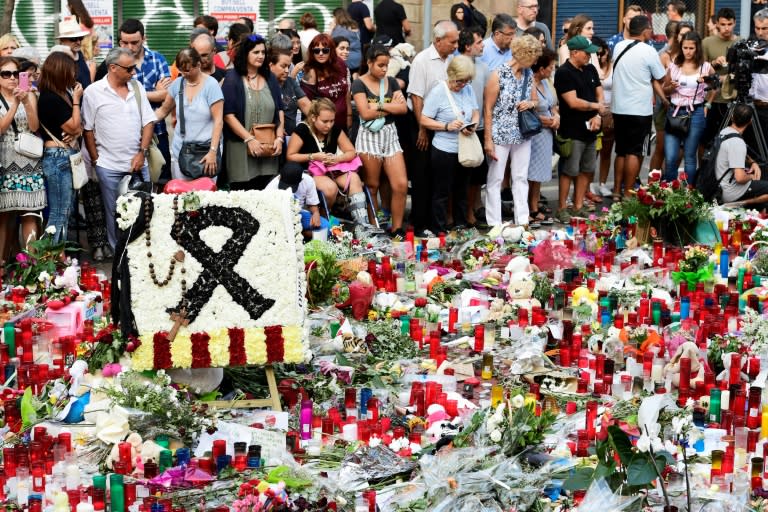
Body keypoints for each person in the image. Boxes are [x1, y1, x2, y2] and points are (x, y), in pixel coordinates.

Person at [82, 47, 155, 251]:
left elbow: (148, 122)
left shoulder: (137, 87)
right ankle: (119, 257)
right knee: (114, 214)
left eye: (134, 68)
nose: (133, 72)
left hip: (139, 165)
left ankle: (142, 253)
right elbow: (88, 130)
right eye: (129, 69)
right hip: (108, 166)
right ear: (112, 68)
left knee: (144, 212)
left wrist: (142, 152)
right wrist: (97, 161)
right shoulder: (93, 92)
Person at [484, 35, 542, 227]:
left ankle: (522, 219)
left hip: (522, 134)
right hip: (500, 133)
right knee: (496, 178)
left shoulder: (529, 74)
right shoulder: (498, 74)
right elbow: (488, 108)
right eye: (533, 56)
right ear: (526, 55)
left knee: (520, 177)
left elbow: (536, 101)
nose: (535, 61)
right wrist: (488, 139)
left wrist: (530, 103)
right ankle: (494, 222)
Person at [407, 20, 459, 236]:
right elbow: (417, 96)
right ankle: (419, 223)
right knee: (422, 175)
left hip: (444, 126)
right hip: (422, 122)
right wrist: (422, 128)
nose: (456, 45)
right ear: (438, 41)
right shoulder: (422, 60)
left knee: (440, 177)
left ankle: (435, 221)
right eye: (452, 41)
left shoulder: (452, 60)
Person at [352, 45, 408, 236]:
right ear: (369, 63)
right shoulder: (359, 83)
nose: (384, 69)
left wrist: (379, 104)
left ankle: (397, 228)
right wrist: (391, 104)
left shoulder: (391, 82)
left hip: (390, 134)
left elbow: (403, 109)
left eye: (387, 65)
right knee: (372, 185)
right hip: (369, 137)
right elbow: (365, 113)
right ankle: (374, 228)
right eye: (380, 65)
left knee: (400, 184)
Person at [286, 98, 370, 225]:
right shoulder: (302, 130)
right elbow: (290, 156)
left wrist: (337, 159)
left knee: (354, 178)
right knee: (330, 188)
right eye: (325, 121)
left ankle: (362, 224)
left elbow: (351, 152)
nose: (329, 125)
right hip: (309, 172)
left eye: (332, 121)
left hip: (330, 169)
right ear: (313, 118)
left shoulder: (334, 129)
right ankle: (324, 219)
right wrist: (313, 156)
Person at [421, 55, 479, 232]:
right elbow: (424, 119)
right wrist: (446, 126)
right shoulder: (439, 91)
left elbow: (475, 111)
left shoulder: (468, 89)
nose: (463, 85)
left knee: (462, 190)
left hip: (464, 147)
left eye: (466, 81)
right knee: (442, 192)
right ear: (452, 75)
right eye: (460, 81)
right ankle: (438, 228)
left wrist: (473, 124)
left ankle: (460, 226)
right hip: (444, 149)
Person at [611, 15, 666, 199]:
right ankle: (628, 191)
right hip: (639, 110)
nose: (651, 32)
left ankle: (617, 191)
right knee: (635, 151)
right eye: (650, 28)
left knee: (621, 151)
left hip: (619, 108)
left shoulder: (618, 46)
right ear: (644, 31)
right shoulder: (649, 51)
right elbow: (661, 77)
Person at [221, 34, 285, 190]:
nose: (261, 56)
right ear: (245, 54)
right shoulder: (232, 78)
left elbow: (280, 111)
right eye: (256, 52)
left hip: (268, 148)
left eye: (263, 52)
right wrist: (249, 139)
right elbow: (228, 115)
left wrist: (279, 138)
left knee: (266, 193)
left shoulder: (270, 77)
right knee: (242, 196)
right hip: (240, 147)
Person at [553, 35, 604, 223]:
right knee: (569, 170)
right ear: (574, 53)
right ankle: (561, 208)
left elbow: (600, 93)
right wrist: (595, 108)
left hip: (592, 129)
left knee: (586, 170)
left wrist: (597, 115)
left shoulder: (590, 69)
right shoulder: (564, 73)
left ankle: (578, 205)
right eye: (586, 53)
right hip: (572, 130)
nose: (589, 57)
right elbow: (572, 102)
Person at [154, 48, 223, 181]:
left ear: (198, 65)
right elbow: (163, 111)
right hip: (181, 149)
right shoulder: (177, 84)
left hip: (207, 150)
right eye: (181, 70)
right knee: (181, 196)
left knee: (205, 197)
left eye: (188, 70)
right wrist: (144, 121)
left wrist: (213, 151)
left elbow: (218, 121)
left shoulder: (211, 85)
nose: (184, 74)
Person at [37, 52, 83, 247]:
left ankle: (58, 259)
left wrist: (75, 130)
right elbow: (73, 126)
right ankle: (49, 260)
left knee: (65, 212)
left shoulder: (63, 93)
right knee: (59, 212)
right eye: (71, 69)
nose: (74, 73)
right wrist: (76, 101)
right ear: (60, 71)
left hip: (65, 155)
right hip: (57, 157)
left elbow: (78, 127)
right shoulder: (49, 98)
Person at [118, 19, 172, 184]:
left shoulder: (157, 59)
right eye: (125, 42)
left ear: (143, 38)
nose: (129, 47)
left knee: (161, 181)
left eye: (134, 42)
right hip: (128, 135)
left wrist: (136, 93)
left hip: (157, 131)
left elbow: (167, 94)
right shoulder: (115, 62)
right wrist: (154, 92)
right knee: (130, 184)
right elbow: (116, 95)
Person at [0, 56, 44, 257]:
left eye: (16, 74)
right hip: (5, 162)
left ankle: (31, 267)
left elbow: (34, 127)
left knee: (30, 214)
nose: (12, 78)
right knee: (3, 217)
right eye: (5, 74)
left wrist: (26, 101)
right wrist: (15, 104)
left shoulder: (30, 95)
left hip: (29, 162)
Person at [663, 32, 714, 183]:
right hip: (675, 111)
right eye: (685, 47)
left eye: (692, 48)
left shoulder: (705, 66)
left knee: (690, 156)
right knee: (671, 157)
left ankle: (690, 194)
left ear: (697, 48)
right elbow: (664, 90)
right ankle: (670, 193)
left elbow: (715, 85)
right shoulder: (674, 65)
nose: (688, 51)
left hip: (696, 111)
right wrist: (671, 88)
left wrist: (708, 103)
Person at [460, 26, 490, 227]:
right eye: (479, 42)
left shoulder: (484, 67)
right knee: (460, 176)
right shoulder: (456, 64)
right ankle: (455, 214)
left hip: (478, 128)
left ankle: (471, 211)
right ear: (467, 46)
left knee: (477, 176)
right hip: (458, 128)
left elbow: (487, 100)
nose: (482, 46)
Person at [716, 104, 768, 210]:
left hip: (718, 185)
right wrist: (751, 177)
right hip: (730, 191)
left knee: (760, 182)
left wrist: (752, 162)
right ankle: (741, 203)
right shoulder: (738, 143)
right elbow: (740, 178)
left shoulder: (724, 132)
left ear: (732, 117)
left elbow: (732, 152)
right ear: (750, 121)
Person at [702, 8, 740, 146]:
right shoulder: (707, 42)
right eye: (723, 24)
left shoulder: (740, 42)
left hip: (733, 99)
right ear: (717, 23)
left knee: (731, 142)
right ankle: (705, 168)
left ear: (735, 23)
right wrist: (714, 63)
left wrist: (730, 76)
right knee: (705, 141)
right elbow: (701, 71)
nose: (726, 28)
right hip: (711, 99)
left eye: (729, 24)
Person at [528, 48, 558, 224]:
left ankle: (534, 206)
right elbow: (530, 112)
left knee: (539, 174)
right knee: (529, 173)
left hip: (546, 133)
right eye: (551, 66)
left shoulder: (546, 83)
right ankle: (528, 208)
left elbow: (552, 105)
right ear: (541, 69)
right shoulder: (530, 83)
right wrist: (549, 121)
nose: (552, 69)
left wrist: (555, 118)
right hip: (534, 134)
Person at [300, 34, 352, 131]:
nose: (321, 53)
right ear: (312, 52)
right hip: (322, 127)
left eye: (325, 50)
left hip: (342, 122)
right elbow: (306, 105)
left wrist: (349, 115)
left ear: (331, 51)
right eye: (316, 51)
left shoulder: (340, 64)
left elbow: (346, 93)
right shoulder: (311, 72)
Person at [266, 163, 327, 238]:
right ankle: (297, 234)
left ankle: (299, 234)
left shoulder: (308, 181)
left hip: (298, 214)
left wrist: (316, 213)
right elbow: (267, 213)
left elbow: (312, 203)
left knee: (325, 227)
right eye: (285, 185)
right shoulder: (270, 188)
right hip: (278, 217)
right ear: (279, 177)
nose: (288, 189)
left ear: (301, 180)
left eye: (292, 186)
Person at [269, 50, 310, 139]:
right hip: (270, 137)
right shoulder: (263, 85)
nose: (287, 71)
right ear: (271, 66)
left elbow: (307, 107)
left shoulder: (290, 82)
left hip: (290, 138)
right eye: (283, 66)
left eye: (288, 66)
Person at [592, 37, 614, 198]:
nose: (601, 57)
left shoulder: (613, 66)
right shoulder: (592, 67)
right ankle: (590, 184)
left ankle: (603, 183)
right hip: (595, 112)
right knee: (593, 151)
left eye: (603, 54)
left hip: (611, 112)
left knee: (607, 150)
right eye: (597, 54)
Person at [56, 16, 92, 89]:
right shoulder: (58, 60)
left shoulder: (79, 54)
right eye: (73, 39)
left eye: (80, 38)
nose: (78, 42)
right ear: (62, 40)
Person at [331, 9, 362, 73]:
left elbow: (331, 41)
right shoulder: (354, 26)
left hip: (347, 59)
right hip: (358, 58)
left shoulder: (339, 29)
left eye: (333, 17)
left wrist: (331, 29)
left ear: (336, 17)